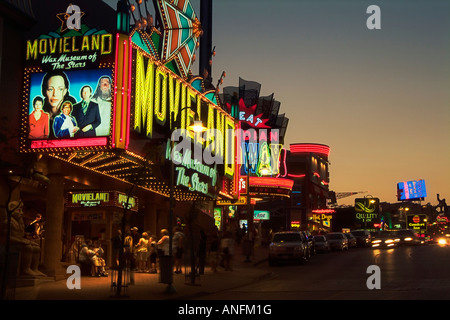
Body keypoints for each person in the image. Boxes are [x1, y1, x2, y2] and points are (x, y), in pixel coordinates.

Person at [7, 201, 45, 277]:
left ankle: (34, 269)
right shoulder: (9, 222)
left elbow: (21, 234)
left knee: (37, 247)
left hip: (20, 240)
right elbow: (7, 237)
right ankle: (26, 269)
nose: (21, 213)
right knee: (28, 247)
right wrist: (23, 240)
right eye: (19, 210)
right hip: (12, 243)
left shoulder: (20, 222)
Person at [41, 70, 76, 138]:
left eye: (60, 89)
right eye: (50, 89)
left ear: (65, 91)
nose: (55, 94)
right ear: (44, 91)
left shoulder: (74, 115)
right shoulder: (39, 114)